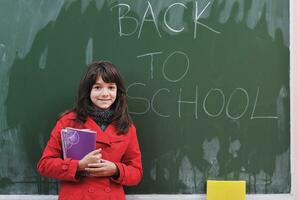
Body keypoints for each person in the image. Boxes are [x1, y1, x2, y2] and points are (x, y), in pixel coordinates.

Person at [37, 61, 143, 200]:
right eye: (98, 87)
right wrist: (78, 166)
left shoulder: (126, 127)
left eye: (111, 87)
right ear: (88, 91)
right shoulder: (68, 122)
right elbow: (44, 165)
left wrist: (116, 170)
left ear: (118, 91)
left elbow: (136, 172)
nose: (105, 94)